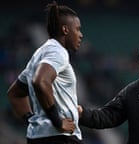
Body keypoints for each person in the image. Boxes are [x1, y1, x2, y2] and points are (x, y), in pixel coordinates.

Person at [7, 1, 84, 144]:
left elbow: (15, 94)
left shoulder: (39, 54)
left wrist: (33, 121)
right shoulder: (58, 52)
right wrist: (57, 121)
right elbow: (40, 81)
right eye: (78, 29)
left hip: (37, 137)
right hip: (60, 137)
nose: (81, 35)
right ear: (66, 30)